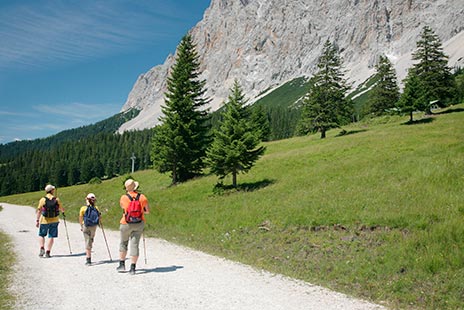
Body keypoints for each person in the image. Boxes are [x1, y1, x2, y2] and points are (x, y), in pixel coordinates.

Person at [117, 179, 150, 274]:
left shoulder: (123, 197)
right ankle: (133, 267)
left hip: (125, 223)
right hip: (139, 223)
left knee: (123, 243)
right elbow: (147, 211)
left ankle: (122, 264)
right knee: (135, 244)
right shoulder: (142, 197)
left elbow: (123, 208)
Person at [36, 184, 65, 258]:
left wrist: (37, 220)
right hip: (55, 220)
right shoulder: (56, 199)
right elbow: (62, 209)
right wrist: (62, 211)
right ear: (52, 191)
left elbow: (39, 210)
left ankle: (42, 248)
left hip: (44, 221)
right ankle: (48, 252)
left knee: (42, 235)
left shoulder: (43, 200)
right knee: (51, 236)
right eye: (53, 189)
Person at [79, 193, 101, 265]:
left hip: (86, 225)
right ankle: (90, 244)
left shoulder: (83, 208)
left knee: (87, 241)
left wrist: (81, 226)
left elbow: (80, 218)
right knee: (91, 239)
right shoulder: (96, 208)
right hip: (94, 226)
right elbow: (99, 217)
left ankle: (88, 259)